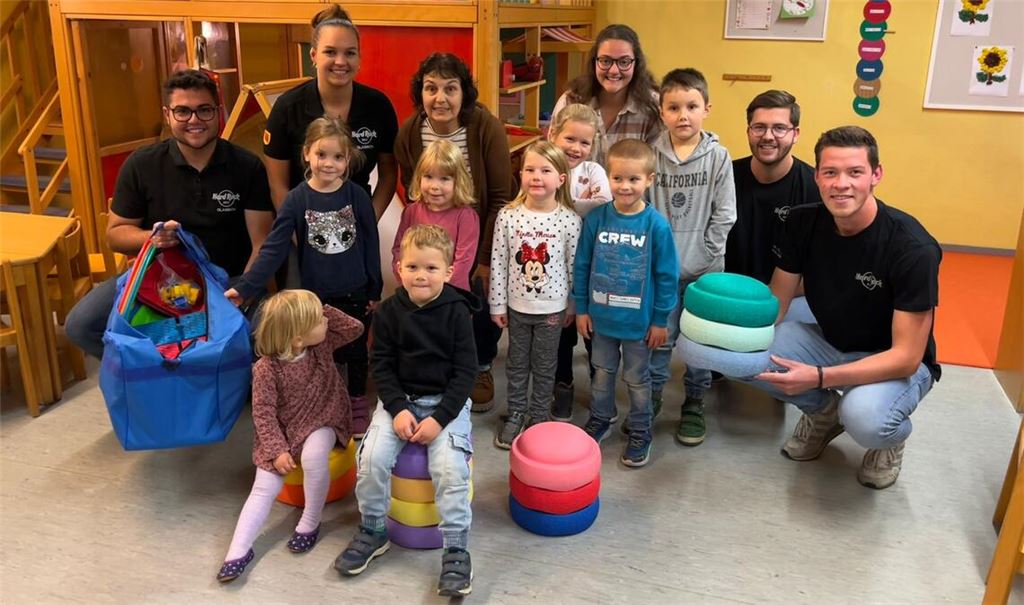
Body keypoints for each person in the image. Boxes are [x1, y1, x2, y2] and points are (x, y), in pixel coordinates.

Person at [746, 126, 941, 490]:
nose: (841, 184)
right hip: (831, 341)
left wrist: (818, 377)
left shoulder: (912, 248)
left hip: (892, 361)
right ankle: (823, 414)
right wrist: (731, 339)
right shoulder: (803, 222)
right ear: (817, 175)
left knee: (865, 418)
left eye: (855, 172)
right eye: (831, 172)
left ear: (876, 175)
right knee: (750, 353)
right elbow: (776, 304)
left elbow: (906, 357)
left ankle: (890, 438)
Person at [65, 69, 273, 359]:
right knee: (81, 325)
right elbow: (115, 234)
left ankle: (212, 379)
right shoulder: (141, 164)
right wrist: (151, 237)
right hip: (157, 283)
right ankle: (155, 371)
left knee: (263, 335)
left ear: (218, 112)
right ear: (167, 114)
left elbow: (261, 243)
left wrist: (243, 292)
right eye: (183, 112)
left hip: (229, 281)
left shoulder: (247, 166)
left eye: (204, 110)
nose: (194, 120)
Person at [334, 225, 477, 597]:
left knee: (449, 468)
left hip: (447, 402)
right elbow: (381, 365)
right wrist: (397, 409)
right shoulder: (389, 313)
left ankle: (457, 549)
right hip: (400, 401)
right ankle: (373, 529)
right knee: (370, 460)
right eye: (413, 266)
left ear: (448, 271)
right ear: (399, 267)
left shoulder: (458, 313)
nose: (421, 275)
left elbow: (465, 374)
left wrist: (439, 419)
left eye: (431, 268)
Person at [227, 117, 381, 437]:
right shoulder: (297, 200)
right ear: (307, 154)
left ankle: (354, 400)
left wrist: (374, 289)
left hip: (355, 291)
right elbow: (273, 248)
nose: (329, 163)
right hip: (315, 296)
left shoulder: (357, 197)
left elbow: (370, 243)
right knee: (319, 353)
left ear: (348, 159)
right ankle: (324, 403)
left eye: (338, 157)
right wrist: (245, 288)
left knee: (354, 348)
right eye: (322, 155)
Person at [216, 290, 364, 583]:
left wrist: (320, 309)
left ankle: (310, 521)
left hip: (323, 416)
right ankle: (237, 550)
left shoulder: (321, 345)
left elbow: (355, 328)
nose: (326, 322)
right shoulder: (265, 370)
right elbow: (263, 415)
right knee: (262, 488)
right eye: (319, 320)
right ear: (297, 337)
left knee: (313, 457)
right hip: (282, 430)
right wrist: (277, 450)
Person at [394, 52, 514, 412]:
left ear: (464, 93)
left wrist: (482, 259)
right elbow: (409, 186)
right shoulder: (411, 131)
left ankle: (479, 365)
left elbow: (499, 196)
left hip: (475, 235)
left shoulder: (484, 127)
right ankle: (436, 364)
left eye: (450, 88)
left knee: (476, 300)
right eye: (431, 88)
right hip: (429, 243)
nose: (440, 98)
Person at [574, 139, 678, 467]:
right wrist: (581, 309)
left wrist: (661, 320)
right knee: (601, 374)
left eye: (634, 179)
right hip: (601, 321)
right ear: (608, 178)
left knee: (637, 380)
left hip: (639, 326)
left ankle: (640, 428)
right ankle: (602, 418)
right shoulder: (596, 219)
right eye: (618, 178)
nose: (625, 186)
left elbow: (666, 276)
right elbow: (582, 265)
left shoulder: (656, 225)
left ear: (649, 179)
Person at [648, 68, 736, 447]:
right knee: (659, 339)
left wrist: (707, 253)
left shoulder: (718, 157)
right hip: (662, 271)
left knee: (699, 343)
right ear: (662, 111)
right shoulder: (651, 154)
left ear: (706, 109)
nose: (683, 114)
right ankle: (649, 399)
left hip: (705, 272)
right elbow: (644, 208)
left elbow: (725, 213)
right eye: (674, 107)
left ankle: (695, 402)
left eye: (691, 106)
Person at [263, 3, 398, 220]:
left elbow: (389, 175)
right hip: (303, 223)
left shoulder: (378, 106)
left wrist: (368, 222)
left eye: (350, 53)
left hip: (357, 221)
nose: (341, 62)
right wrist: (297, 233)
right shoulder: (287, 108)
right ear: (314, 55)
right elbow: (278, 186)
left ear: (359, 58)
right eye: (330, 52)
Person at [489, 141, 581, 449]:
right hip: (516, 306)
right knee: (516, 363)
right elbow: (499, 262)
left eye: (545, 170)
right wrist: (497, 304)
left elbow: (573, 267)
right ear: (520, 173)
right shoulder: (508, 216)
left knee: (544, 365)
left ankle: (539, 416)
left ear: (561, 179)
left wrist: (573, 305)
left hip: (553, 310)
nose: (537, 176)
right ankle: (515, 412)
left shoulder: (569, 220)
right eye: (530, 169)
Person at [726, 90, 821, 324]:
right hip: (728, 293)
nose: (768, 136)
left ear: (795, 133)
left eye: (779, 128)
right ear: (748, 131)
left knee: (771, 354)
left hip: (792, 299)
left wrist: (769, 297)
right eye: (759, 127)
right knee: (698, 354)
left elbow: (824, 269)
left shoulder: (815, 188)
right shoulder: (723, 176)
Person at [547, 103, 612, 420]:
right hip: (553, 268)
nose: (576, 148)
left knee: (592, 331)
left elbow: (602, 206)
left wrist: (562, 204)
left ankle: (602, 390)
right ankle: (563, 387)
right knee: (561, 332)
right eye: (569, 139)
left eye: (584, 142)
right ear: (554, 134)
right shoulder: (544, 167)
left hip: (589, 267)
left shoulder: (594, 172)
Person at [551, 24, 663, 165]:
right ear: (594, 62)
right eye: (605, 61)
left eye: (624, 62)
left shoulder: (653, 106)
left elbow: (657, 168)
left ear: (636, 64)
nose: (614, 70)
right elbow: (552, 161)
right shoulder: (571, 101)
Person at [390, 140, 479, 290]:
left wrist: (434, 292)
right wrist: (408, 281)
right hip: (414, 291)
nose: (435, 186)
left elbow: (463, 263)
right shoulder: (411, 212)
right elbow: (399, 250)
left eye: (444, 178)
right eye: (428, 177)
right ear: (419, 178)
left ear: (458, 182)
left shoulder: (466, 217)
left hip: (451, 296)